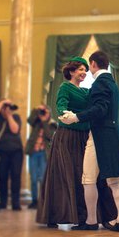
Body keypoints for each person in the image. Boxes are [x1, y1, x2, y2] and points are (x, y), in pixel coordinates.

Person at [60, 51, 119, 232]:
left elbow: (99, 109)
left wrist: (76, 117)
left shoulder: (100, 83)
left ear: (93, 64)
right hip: (114, 135)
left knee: (88, 178)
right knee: (114, 181)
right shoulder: (113, 84)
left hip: (99, 136)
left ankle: (91, 220)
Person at [36, 57, 90, 227]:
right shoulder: (65, 87)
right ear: (72, 71)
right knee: (64, 173)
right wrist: (69, 116)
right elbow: (60, 106)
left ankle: (83, 216)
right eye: (81, 69)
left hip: (83, 136)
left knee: (82, 175)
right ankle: (55, 214)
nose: (84, 72)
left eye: (85, 70)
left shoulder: (85, 91)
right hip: (67, 136)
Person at [0, 99, 24, 211]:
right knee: (2, 177)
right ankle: (2, 202)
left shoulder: (16, 117)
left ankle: (16, 203)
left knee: (16, 177)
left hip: (16, 152)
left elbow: (15, 130)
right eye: (5, 108)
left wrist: (9, 116)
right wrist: (2, 102)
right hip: (1, 152)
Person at [24, 104, 56, 209]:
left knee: (42, 178)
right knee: (33, 178)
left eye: (45, 111)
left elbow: (49, 136)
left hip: (43, 154)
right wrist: (36, 110)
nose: (43, 113)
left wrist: (44, 121)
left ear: (49, 113)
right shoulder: (36, 122)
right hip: (33, 152)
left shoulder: (52, 124)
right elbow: (29, 120)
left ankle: (43, 201)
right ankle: (34, 201)